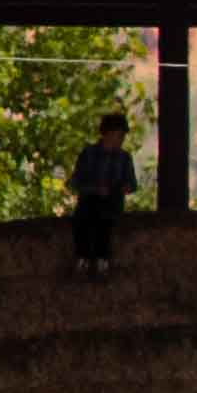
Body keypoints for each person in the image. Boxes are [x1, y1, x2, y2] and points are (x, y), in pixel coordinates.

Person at [65, 112, 137, 279]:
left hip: (112, 202)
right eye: (119, 135)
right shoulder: (88, 155)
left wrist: (123, 187)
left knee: (105, 219)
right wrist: (95, 189)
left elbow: (132, 184)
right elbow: (75, 182)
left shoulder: (124, 158)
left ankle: (101, 260)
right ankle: (83, 259)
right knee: (84, 220)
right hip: (89, 201)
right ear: (108, 134)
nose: (121, 140)